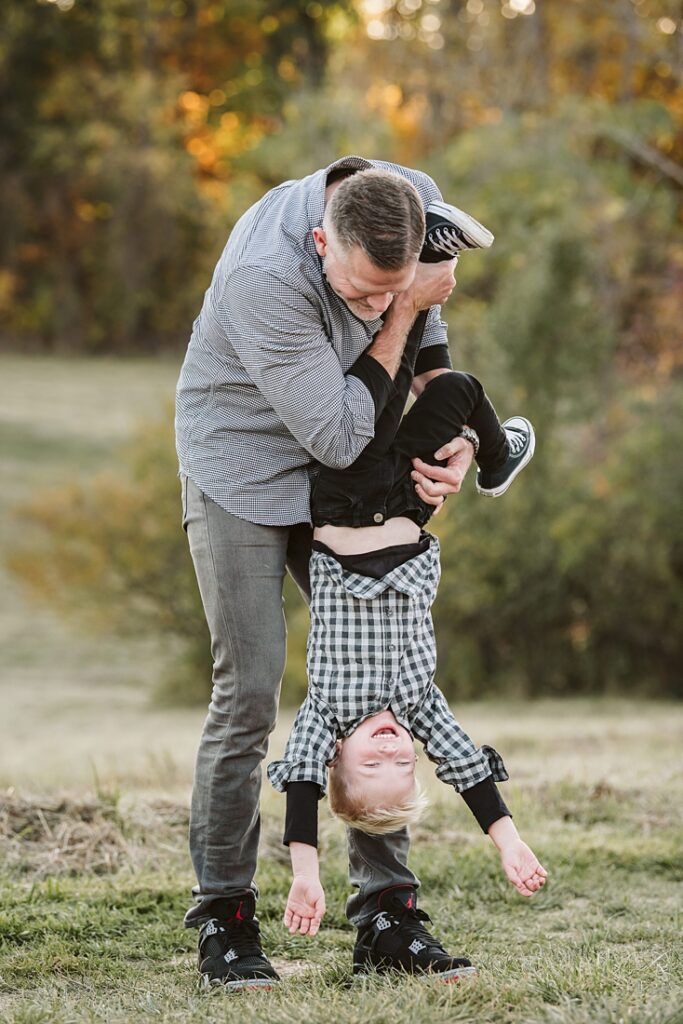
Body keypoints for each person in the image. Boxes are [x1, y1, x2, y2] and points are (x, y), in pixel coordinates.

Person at [176, 156, 497, 991]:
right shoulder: (262, 277)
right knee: (247, 692)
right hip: (247, 469)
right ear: (321, 241)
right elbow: (339, 433)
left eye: (387, 287)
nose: (371, 305)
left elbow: (428, 358)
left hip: (352, 480)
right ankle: (226, 919)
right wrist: (401, 304)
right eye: (359, 292)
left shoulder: (412, 201)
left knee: (380, 680)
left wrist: (452, 441)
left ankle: (387, 916)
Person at [266, 339, 545, 978]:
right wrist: (509, 841)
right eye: (403, 761)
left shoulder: (326, 714)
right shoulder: (420, 704)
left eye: (374, 760)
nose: (394, 746)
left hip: (347, 500)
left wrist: (306, 874)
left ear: (339, 755)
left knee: (384, 377)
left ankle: (409, 265)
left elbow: (302, 786)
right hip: (411, 505)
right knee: (460, 388)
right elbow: (466, 765)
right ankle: (497, 459)